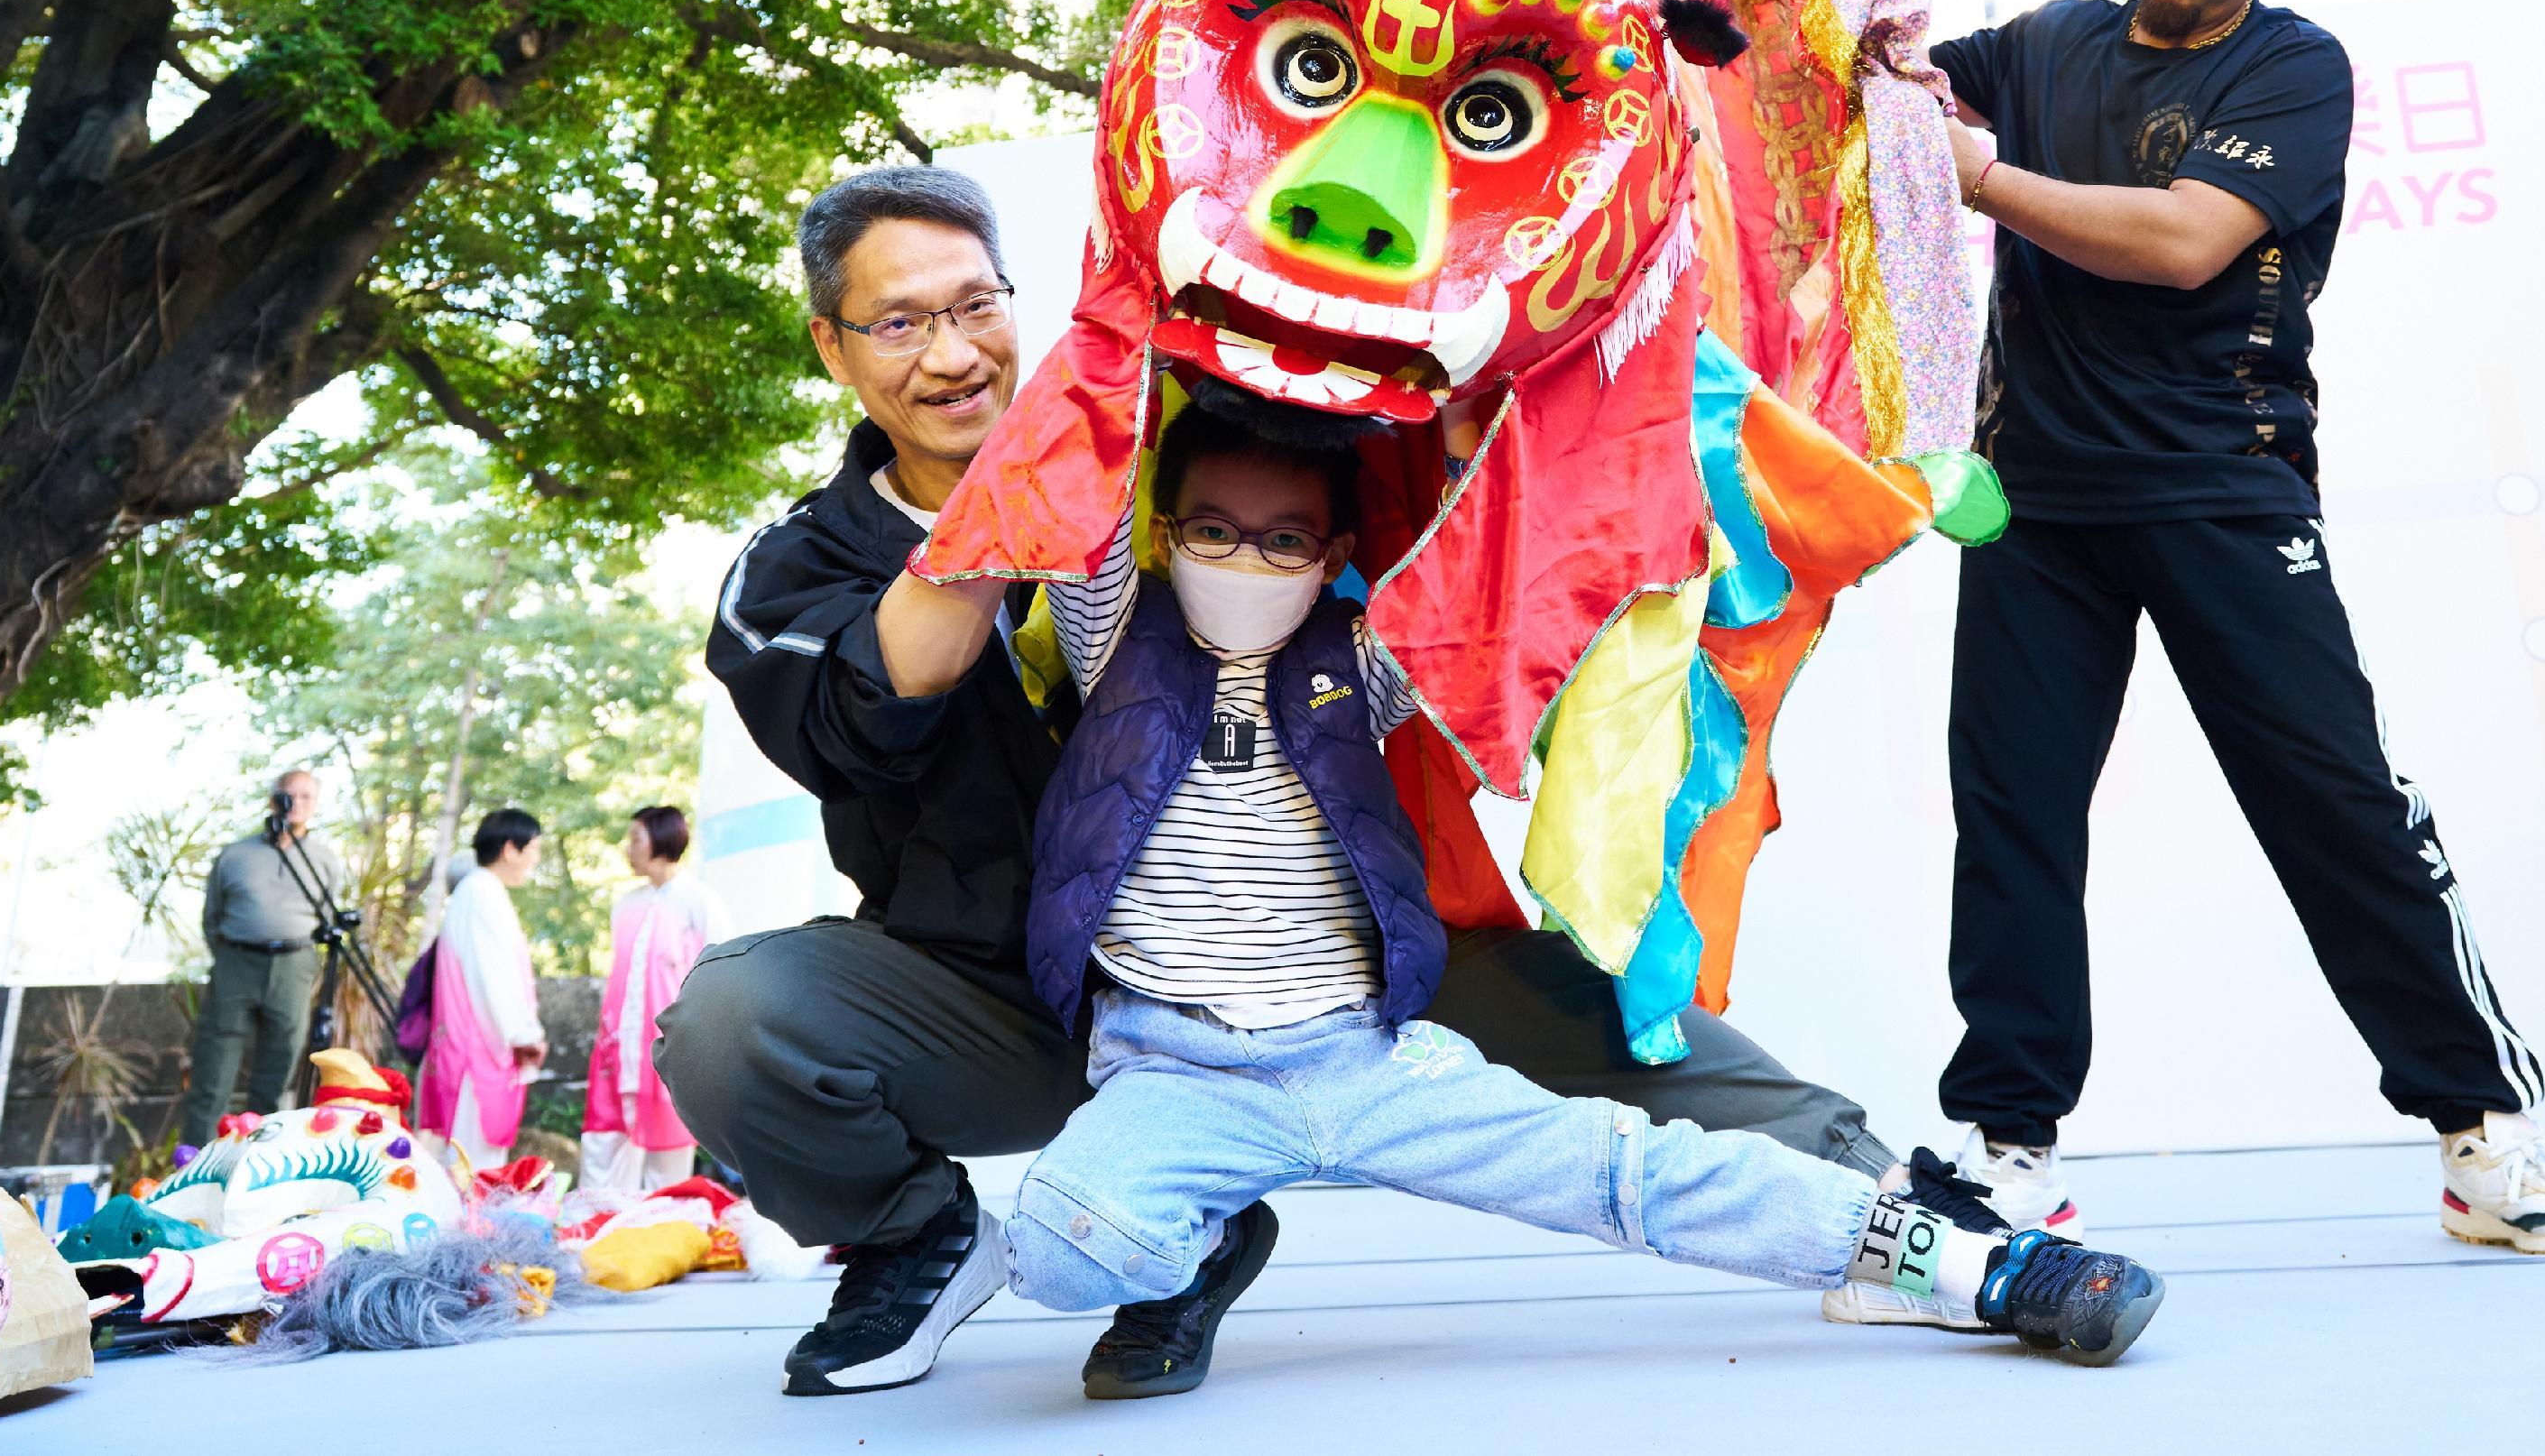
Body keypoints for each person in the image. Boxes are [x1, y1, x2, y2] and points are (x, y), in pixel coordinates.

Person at [663, 164, 1895, 1403]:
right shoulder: (802, 562)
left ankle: (1886, 1187)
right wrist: (1038, 471)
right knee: (733, 1015)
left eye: (976, 303)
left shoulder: (1169, 438)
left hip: (1323, 959)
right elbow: (878, 702)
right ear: (831, 341)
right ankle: (918, 1236)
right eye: (898, 321)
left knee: (1602, 1014)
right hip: (1032, 1002)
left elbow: (1397, 428)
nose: (950, 351)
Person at [890, 401, 2165, 1382]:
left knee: (1638, 1172)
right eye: (1214, 527)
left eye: (1284, 538)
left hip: (1365, 1061)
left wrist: (1464, 436)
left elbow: (1478, 571)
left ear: (1330, 551)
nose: (1246, 557)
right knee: (1059, 1245)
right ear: (1167, 532)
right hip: (1175, 1072)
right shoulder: (1117, 636)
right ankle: (1205, 1232)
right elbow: (1085, 477)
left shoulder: (1359, 658)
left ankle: (1991, 1269)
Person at [1894, 0, 2545, 1265]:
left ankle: (2482, 1130)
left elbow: (2181, 243)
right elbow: (1880, 86)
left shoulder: (2293, 69)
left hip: (2221, 487)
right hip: (2035, 498)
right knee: (2013, 817)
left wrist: (1976, 179)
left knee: (2340, 806)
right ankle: (2007, 1146)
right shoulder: (2044, 46)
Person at [177, 768, 352, 1146]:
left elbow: (327, 912)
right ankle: (193, 1166)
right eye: (291, 795)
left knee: (276, 1074)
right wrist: (229, 957)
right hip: (237, 963)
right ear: (274, 799)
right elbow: (213, 917)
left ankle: (259, 1167)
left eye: (307, 798)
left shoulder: (323, 859)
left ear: (315, 806)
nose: (298, 804)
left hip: (293, 966)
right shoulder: (236, 855)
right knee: (212, 1074)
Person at [583, 806, 723, 1198]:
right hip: (619, 1042)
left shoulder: (699, 900)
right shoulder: (625, 905)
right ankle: (601, 1221)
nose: (629, 849)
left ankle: (667, 1231)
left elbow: (719, 967)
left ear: (662, 841)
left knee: (670, 1141)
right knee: (607, 1135)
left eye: (636, 840)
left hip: (670, 1041)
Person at [418, 807, 547, 1170]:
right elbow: (495, 976)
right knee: (472, 1166)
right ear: (511, 849)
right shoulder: (482, 894)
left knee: (465, 1161)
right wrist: (525, 1034)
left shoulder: (476, 892)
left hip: (467, 1043)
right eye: (533, 849)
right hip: (477, 1048)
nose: (534, 859)